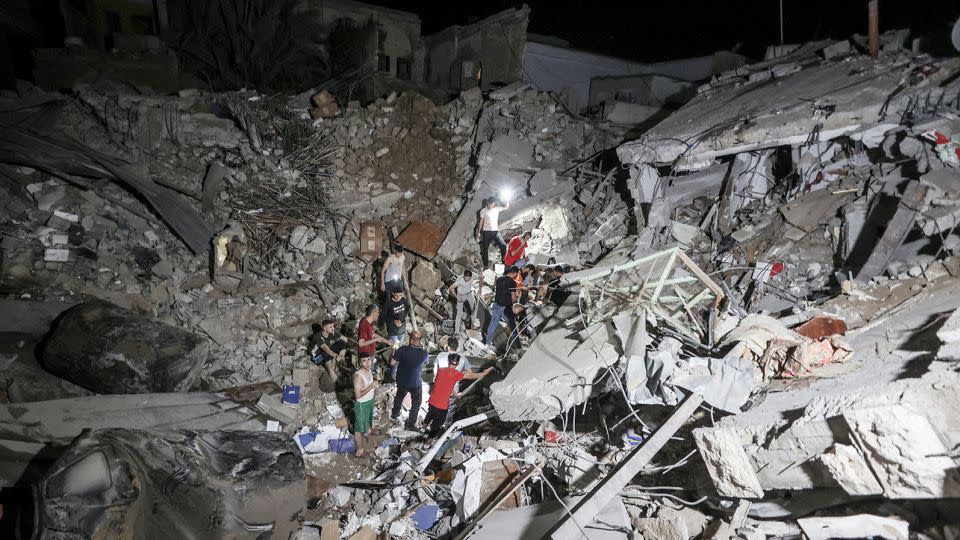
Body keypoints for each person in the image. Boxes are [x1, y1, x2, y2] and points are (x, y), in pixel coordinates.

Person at [424, 354, 493, 441]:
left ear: (448, 361)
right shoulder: (456, 374)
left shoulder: (441, 371)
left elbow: (447, 385)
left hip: (432, 401)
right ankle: (426, 444)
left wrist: (456, 394)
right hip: (441, 407)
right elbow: (474, 376)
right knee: (436, 426)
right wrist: (485, 372)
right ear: (457, 364)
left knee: (430, 414)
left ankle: (422, 429)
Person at [389, 331, 429, 431]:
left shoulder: (402, 349)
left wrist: (393, 351)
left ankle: (394, 414)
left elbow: (392, 363)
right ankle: (410, 425)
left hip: (402, 381)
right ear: (420, 341)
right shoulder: (424, 353)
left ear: (410, 340)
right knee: (416, 403)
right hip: (415, 383)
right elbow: (426, 363)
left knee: (399, 397)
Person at [352, 354, 379, 457]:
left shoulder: (368, 370)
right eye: (364, 361)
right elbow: (357, 395)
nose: (368, 363)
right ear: (359, 363)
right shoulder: (358, 376)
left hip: (369, 401)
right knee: (359, 429)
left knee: (368, 419)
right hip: (361, 404)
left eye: (369, 360)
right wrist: (371, 386)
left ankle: (367, 431)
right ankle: (359, 451)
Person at [485, 266, 519, 347]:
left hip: (496, 304)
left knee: (492, 324)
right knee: (512, 326)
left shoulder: (499, 279)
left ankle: (487, 343)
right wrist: (514, 306)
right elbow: (513, 297)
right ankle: (517, 346)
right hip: (505, 308)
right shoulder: (512, 283)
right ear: (514, 273)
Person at [358, 304, 393, 376]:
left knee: (370, 372)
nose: (378, 315)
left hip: (371, 353)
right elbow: (361, 343)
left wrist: (387, 341)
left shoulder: (368, 323)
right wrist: (375, 340)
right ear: (374, 312)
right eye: (377, 312)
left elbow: (373, 335)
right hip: (366, 355)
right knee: (367, 374)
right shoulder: (364, 324)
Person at [476, 197, 508, 269]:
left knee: (503, 246)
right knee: (485, 249)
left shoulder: (496, 209)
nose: (491, 204)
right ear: (487, 202)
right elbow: (481, 221)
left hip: (496, 232)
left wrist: (506, 199)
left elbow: (506, 207)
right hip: (486, 232)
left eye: (492, 203)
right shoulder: (483, 211)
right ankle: (486, 266)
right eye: (490, 203)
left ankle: (504, 262)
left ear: (494, 203)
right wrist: (479, 232)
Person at [448, 269, 478, 334]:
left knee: (474, 309)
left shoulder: (473, 275)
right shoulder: (460, 280)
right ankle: (456, 331)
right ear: (463, 276)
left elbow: (481, 277)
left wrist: (480, 288)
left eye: (469, 278)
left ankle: (472, 325)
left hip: (469, 293)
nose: (467, 280)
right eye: (466, 278)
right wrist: (457, 297)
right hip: (461, 295)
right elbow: (451, 287)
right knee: (459, 313)